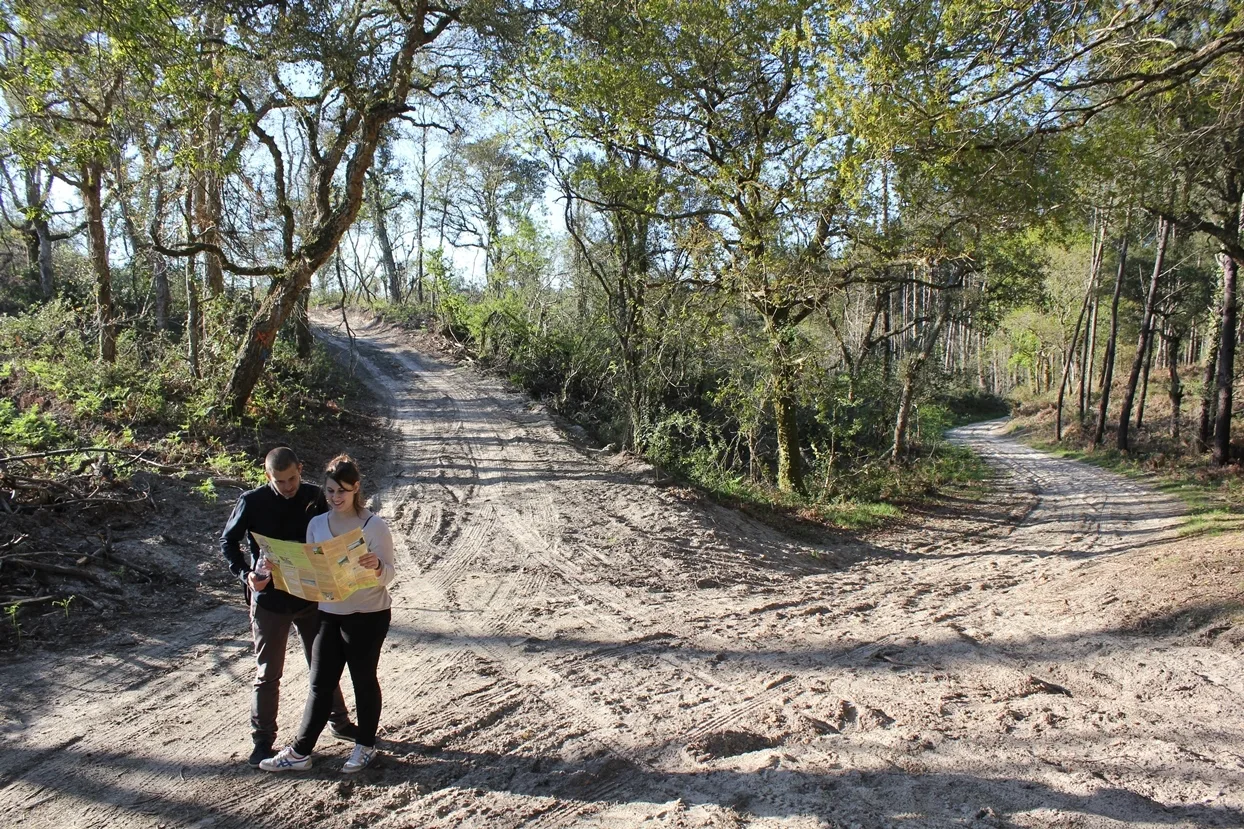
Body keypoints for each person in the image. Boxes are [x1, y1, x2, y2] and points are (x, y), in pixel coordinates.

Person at [220, 446, 357, 768]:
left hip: (311, 599)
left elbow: (338, 532)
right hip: (269, 600)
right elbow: (228, 542)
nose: (288, 486)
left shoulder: (315, 496)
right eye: (280, 481)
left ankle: (340, 723)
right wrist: (247, 574)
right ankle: (263, 741)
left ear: (301, 468)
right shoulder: (251, 502)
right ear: (268, 476)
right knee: (268, 673)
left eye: (292, 478)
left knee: (323, 665)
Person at [261, 454, 396, 774]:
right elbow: (312, 570)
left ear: (356, 489)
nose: (335, 498)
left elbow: (389, 574)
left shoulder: (373, 526)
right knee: (320, 683)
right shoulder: (316, 524)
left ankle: (365, 745)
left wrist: (376, 566)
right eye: (331, 491)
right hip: (329, 612)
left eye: (342, 491)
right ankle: (300, 752)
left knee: (363, 679)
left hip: (368, 613)